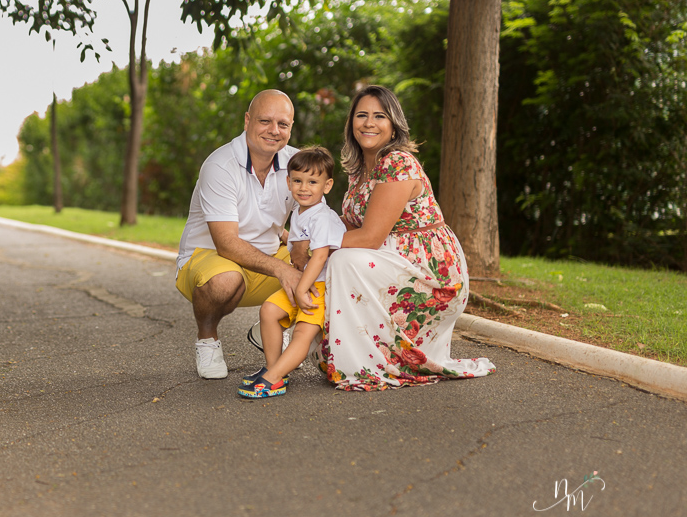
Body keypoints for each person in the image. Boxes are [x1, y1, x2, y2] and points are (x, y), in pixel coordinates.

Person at [309, 85, 496, 391]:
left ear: (393, 124)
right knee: (324, 259)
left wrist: (317, 244)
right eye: (362, 115)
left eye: (379, 116)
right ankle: (298, 344)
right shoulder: (360, 169)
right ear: (351, 123)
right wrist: (304, 235)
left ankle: (361, 364)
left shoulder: (397, 162)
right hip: (392, 259)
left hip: (430, 272)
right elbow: (349, 222)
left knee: (340, 259)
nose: (369, 123)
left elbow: (369, 237)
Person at [175, 90, 305, 379]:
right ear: (247, 121)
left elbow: (311, 223)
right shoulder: (220, 166)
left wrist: (298, 250)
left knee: (327, 266)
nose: (274, 131)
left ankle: (270, 327)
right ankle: (207, 340)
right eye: (265, 121)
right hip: (209, 261)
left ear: (291, 127)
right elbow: (227, 244)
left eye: (283, 124)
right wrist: (284, 270)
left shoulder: (297, 163)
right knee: (226, 280)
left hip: (266, 257)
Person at [238, 146, 346, 399]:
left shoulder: (322, 217)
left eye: (312, 182)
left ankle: (273, 378)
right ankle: (275, 369)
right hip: (302, 282)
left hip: (318, 288)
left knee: (302, 333)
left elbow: (320, 256)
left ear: (327, 185)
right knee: (269, 311)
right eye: (297, 181)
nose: (304, 188)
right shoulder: (299, 212)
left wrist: (300, 288)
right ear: (288, 182)